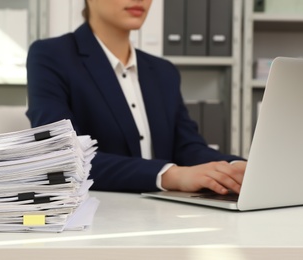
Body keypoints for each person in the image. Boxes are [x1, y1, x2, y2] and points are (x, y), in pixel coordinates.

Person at [26, 0, 247, 194]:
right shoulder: (51, 56)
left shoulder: (163, 71)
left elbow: (187, 147)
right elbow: (64, 156)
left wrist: (234, 167)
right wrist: (170, 176)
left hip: (166, 211)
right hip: (101, 215)